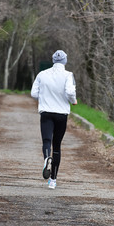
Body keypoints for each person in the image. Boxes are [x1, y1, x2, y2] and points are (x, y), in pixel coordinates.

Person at [31, 50, 77, 189]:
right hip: (61, 114)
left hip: (46, 112)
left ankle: (46, 158)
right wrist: (73, 100)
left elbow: (33, 93)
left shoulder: (42, 74)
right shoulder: (68, 75)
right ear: (65, 61)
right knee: (56, 146)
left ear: (53, 60)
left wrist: (45, 97)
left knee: (46, 141)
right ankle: (53, 180)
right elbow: (69, 92)